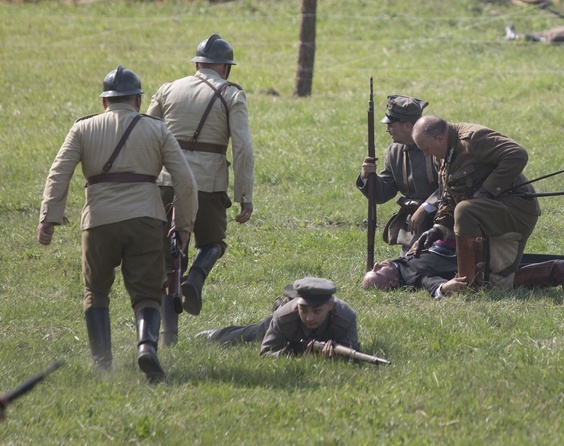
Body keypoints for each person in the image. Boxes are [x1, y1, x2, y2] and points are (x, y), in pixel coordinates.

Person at [37, 65, 198, 382]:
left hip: (99, 222)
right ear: (138, 100)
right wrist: (184, 226)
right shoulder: (156, 129)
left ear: (104, 102)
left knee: (95, 292)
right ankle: (146, 346)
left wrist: (48, 218)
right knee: (148, 295)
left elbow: (59, 173)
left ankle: (102, 364)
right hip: (147, 220)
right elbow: (186, 182)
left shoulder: (83, 129)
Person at [146, 34, 255, 342]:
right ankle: (195, 278)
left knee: (168, 262)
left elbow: (142, 131)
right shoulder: (232, 94)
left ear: (197, 64)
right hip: (208, 185)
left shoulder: (167, 89)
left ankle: (169, 337)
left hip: (166, 182)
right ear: (225, 68)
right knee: (212, 243)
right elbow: (243, 148)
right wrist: (244, 195)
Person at [411, 115, 543, 292]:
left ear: (440, 139)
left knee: (465, 209)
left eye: (426, 149)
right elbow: (449, 195)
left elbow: (517, 154)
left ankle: (469, 284)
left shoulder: (473, 139)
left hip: (515, 210)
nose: (426, 154)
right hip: (488, 216)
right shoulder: (441, 155)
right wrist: (439, 229)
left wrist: (486, 191)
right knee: (498, 283)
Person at [362, 239, 564, 298]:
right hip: (487, 265)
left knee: (545, 258)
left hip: (481, 246)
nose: (377, 264)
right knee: (544, 267)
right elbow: (430, 283)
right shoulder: (409, 275)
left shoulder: (402, 261)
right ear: (390, 285)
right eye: (377, 272)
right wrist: (443, 288)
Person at [197, 277, 360, 359]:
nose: (309, 318)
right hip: (282, 327)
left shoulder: (345, 317)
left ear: (330, 306)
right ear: (297, 305)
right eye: (304, 310)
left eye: (317, 311)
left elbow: (354, 351)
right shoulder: (284, 318)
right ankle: (213, 334)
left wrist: (336, 353)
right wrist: (290, 352)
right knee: (253, 334)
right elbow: (266, 353)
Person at [356, 95, 439, 254]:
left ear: (407, 126)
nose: (387, 129)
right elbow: (384, 193)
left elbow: (449, 186)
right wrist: (367, 177)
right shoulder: (395, 151)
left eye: (391, 124)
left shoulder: (436, 146)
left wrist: (425, 207)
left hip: (442, 221)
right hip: (414, 227)